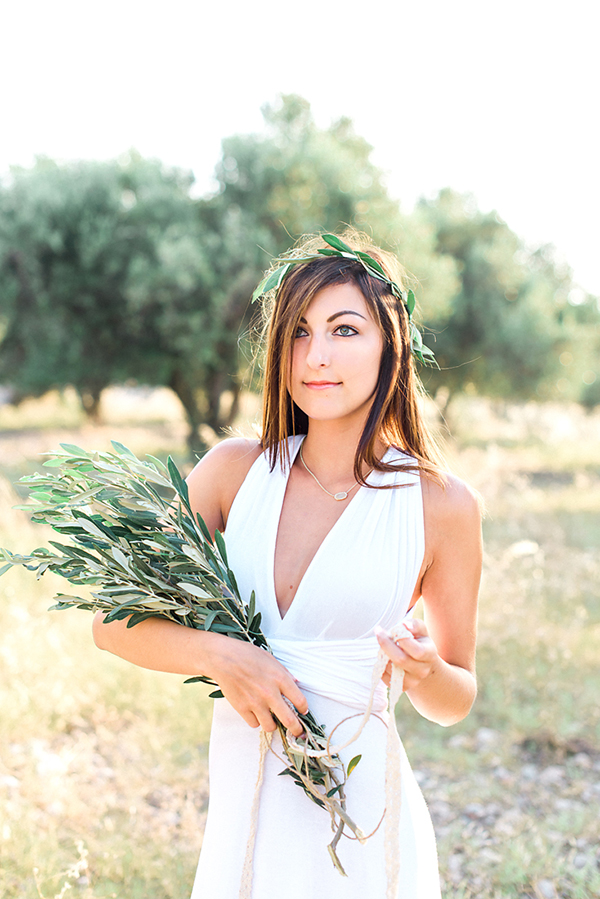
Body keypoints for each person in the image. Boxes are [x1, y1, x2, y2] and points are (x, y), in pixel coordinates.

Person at [92, 230, 482, 899]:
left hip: (362, 826)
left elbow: (456, 699)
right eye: (299, 331)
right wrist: (223, 656)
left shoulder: (442, 503)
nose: (316, 355)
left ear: (390, 345)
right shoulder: (232, 472)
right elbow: (110, 622)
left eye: (344, 329)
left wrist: (424, 672)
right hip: (244, 813)